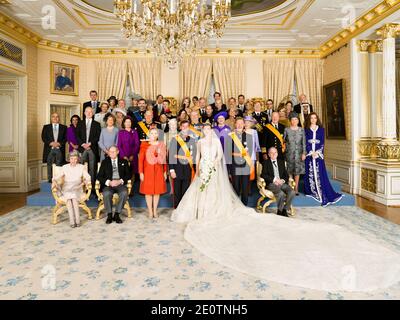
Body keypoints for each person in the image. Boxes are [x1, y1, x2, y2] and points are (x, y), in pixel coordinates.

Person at [304, 113, 343, 206]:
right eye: (311, 118)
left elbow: (322, 143)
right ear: (309, 119)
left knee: (320, 173)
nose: (313, 120)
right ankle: (311, 191)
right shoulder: (305, 130)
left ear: (317, 119)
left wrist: (317, 153)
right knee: (310, 173)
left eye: (315, 118)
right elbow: (305, 142)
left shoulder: (321, 130)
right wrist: (311, 152)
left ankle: (323, 193)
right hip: (309, 155)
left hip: (318, 155)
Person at [52, 151, 91, 228]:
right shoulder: (65, 167)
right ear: (69, 159)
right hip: (67, 188)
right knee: (70, 200)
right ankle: (74, 221)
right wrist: (54, 181)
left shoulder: (81, 167)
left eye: (75, 159)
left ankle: (76, 220)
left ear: (78, 159)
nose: (73, 160)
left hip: (77, 188)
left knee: (73, 198)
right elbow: (56, 177)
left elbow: (88, 177)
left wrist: (85, 182)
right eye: (72, 159)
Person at [97, 146, 131, 224]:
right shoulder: (105, 162)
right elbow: (99, 176)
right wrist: (109, 182)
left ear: (117, 152)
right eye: (110, 152)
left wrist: (120, 181)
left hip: (120, 184)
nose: (112, 153)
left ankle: (117, 214)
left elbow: (128, 174)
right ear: (108, 153)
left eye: (114, 151)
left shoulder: (124, 161)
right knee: (106, 193)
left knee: (124, 193)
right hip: (109, 184)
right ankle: (109, 214)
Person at [138, 128, 167, 219]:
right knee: (148, 191)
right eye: (152, 133)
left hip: (158, 170)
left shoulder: (161, 145)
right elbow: (140, 160)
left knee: (157, 191)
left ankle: (155, 211)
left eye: (155, 133)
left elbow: (164, 159)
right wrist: (141, 172)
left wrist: (165, 171)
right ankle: (150, 211)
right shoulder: (144, 145)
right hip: (147, 170)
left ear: (158, 135)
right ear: (149, 135)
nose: (154, 135)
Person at [169, 120, 197, 208]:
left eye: (187, 126)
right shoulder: (175, 139)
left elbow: (195, 155)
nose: (185, 128)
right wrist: (171, 170)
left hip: (188, 169)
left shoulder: (192, 140)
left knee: (186, 191)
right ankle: (177, 209)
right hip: (177, 169)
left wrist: (196, 171)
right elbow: (171, 156)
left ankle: (184, 209)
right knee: (177, 191)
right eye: (183, 126)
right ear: (180, 127)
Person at [261, 147, 295, 216]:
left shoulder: (281, 162)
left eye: (275, 152)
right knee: (281, 193)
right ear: (269, 154)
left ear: (277, 153)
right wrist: (274, 180)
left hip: (281, 183)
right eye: (271, 153)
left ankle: (285, 209)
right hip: (272, 184)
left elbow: (286, 175)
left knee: (292, 192)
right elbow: (263, 175)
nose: (274, 154)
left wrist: (282, 180)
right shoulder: (266, 163)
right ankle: (279, 211)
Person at [227, 118, 253, 206]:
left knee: (245, 188)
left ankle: (244, 206)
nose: (239, 125)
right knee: (236, 187)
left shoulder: (249, 136)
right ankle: (235, 206)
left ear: (244, 125)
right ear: (235, 124)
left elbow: (250, 151)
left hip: (245, 166)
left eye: (241, 123)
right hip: (235, 166)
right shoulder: (230, 136)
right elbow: (228, 153)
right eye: (237, 123)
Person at [76, 106, 101, 190]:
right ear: (84, 113)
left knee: (92, 169)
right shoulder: (80, 123)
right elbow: (77, 136)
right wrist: (83, 144)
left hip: (92, 148)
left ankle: (92, 188)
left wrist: (90, 144)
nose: (89, 113)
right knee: (81, 168)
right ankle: (82, 188)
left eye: (91, 112)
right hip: (82, 148)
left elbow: (98, 137)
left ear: (93, 113)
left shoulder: (97, 124)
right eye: (87, 111)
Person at [284, 112, 306, 195]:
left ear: (298, 120)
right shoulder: (286, 130)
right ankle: (290, 187)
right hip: (289, 153)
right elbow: (283, 141)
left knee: (297, 171)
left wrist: (304, 153)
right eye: (292, 119)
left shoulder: (301, 130)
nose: (294, 121)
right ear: (290, 121)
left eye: (296, 119)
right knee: (289, 170)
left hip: (299, 154)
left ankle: (296, 188)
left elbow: (304, 142)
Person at [42, 113, 67, 182]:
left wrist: (59, 143)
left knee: (59, 165)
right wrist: (51, 143)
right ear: (51, 118)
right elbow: (43, 138)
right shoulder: (46, 127)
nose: (55, 118)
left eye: (57, 117)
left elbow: (66, 138)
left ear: (59, 118)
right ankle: (50, 180)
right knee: (49, 165)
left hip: (60, 149)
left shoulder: (64, 127)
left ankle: (58, 179)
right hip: (49, 149)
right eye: (53, 117)